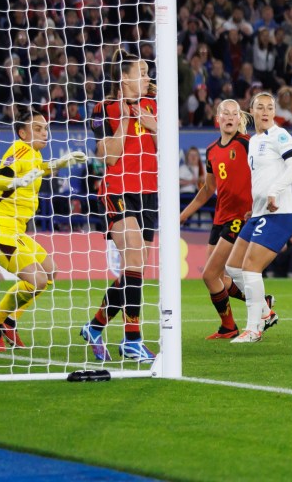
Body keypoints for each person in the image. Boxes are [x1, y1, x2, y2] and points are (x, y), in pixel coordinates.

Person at [0, 108, 87, 351]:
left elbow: (41, 167)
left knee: (50, 272)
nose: (44, 133)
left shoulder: (33, 154)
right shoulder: (19, 149)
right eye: (37, 128)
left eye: (45, 128)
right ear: (22, 133)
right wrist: (15, 182)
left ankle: (9, 321)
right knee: (37, 280)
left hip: (15, 230)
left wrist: (63, 161)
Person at [81, 50, 159, 364]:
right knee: (134, 252)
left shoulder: (155, 106)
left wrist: (153, 124)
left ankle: (95, 325)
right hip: (118, 190)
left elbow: (167, 148)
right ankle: (132, 339)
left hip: (150, 193)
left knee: (135, 269)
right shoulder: (104, 108)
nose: (147, 78)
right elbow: (108, 157)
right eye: (141, 72)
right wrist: (127, 121)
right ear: (124, 77)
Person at [179, 101, 271, 339]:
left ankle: (243, 318)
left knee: (209, 274)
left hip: (240, 217)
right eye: (225, 113)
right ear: (217, 118)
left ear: (238, 118)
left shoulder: (247, 143)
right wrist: (184, 215)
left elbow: (266, 168)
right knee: (218, 278)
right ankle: (244, 315)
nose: (229, 117)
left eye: (234, 113)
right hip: (220, 218)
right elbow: (208, 189)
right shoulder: (211, 151)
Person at [225, 92, 292, 343]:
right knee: (233, 267)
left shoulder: (279, 135)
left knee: (250, 268)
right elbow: (262, 177)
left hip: (280, 213)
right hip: (259, 213)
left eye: (270, 107)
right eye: (261, 107)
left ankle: (253, 329)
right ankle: (265, 313)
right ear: (252, 111)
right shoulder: (255, 140)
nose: (266, 111)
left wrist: (273, 192)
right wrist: (257, 204)